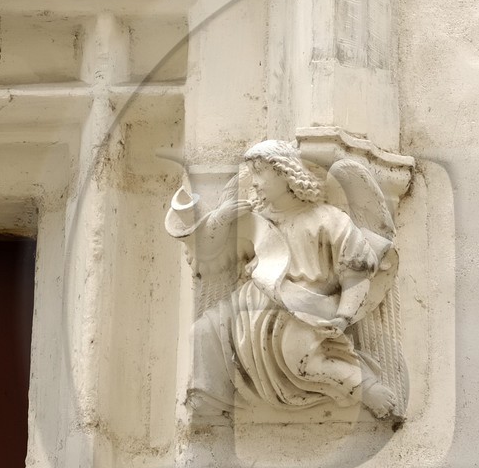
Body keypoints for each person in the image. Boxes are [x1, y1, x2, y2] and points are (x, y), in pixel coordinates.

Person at [166, 140, 399, 419]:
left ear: (284, 172)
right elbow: (208, 252)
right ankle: (212, 399)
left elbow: (356, 273)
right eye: (252, 174)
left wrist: (344, 316)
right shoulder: (254, 218)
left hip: (301, 308)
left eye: (261, 172)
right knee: (201, 332)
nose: (255, 183)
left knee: (303, 361)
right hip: (249, 305)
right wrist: (221, 218)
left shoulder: (328, 219)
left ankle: (365, 386)